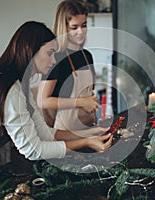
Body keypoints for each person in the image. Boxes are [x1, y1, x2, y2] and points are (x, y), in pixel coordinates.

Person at [0, 21, 113, 188]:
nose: (54, 60)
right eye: (50, 53)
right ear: (30, 51)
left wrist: (87, 134)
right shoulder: (10, 90)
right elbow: (33, 151)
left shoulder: (20, 85)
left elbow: (44, 132)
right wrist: (85, 142)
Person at [37, 0, 99, 131]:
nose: (81, 32)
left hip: (90, 125)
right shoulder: (56, 58)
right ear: (63, 27)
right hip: (65, 132)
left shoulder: (86, 55)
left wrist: (91, 100)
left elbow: (89, 90)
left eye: (84, 25)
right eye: (74, 27)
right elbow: (43, 101)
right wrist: (82, 102)